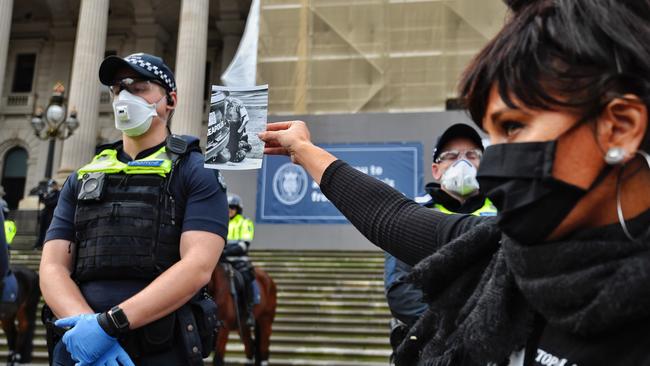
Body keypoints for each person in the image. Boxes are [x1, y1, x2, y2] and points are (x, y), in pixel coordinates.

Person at [259, 1, 650, 365]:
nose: (493, 160)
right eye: (492, 135)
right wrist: (303, 149)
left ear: (620, 127)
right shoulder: (499, 253)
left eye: (513, 126)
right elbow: (391, 216)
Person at [39, 52, 228, 366]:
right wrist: (87, 329)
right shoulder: (83, 176)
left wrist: (109, 326)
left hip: (160, 346)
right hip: (82, 348)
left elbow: (197, 266)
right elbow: (52, 267)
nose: (125, 96)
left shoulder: (196, 171)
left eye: (140, 87)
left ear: (170, 100)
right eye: (118, 88)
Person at [383, 123, 496, 358]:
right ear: (436, 170)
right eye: (452, 156)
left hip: (492, 345)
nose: (463, 163)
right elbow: (401, 291)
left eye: (472, 155)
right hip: (429, 348)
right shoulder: (412, 214)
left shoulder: (505, 212)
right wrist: (455, 328)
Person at [222, 193, 256, 325]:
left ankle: (248, 312)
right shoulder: (221, 221)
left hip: (239, 261)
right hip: (221, 260)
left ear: (238, 209)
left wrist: (225, 251)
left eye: (233, 207)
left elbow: (244, 244)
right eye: (228, 207)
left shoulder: (245, 222)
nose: (230, 210)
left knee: (246, 278)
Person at [224, 97, 252, 163]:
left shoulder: (238, 104)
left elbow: (246, 119)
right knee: (226, 147)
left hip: (235, 127)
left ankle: (244, 145)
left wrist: (239, 130)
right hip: (227, 126)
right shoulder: (224, 102)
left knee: (233, 158)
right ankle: (240, 143)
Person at [34, 179, 60, 249]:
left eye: (53, 185)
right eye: (51, 186)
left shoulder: (58, 193)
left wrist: (46, 201)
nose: (51, 187)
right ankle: (39, 244)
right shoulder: (49, 194)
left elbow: (53, 203)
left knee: (49, 229)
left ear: (56, 185)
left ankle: (47, 244)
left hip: (52, 214)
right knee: (42, 230)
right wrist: (41, 196)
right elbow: (44, 201)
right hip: (45, 214)